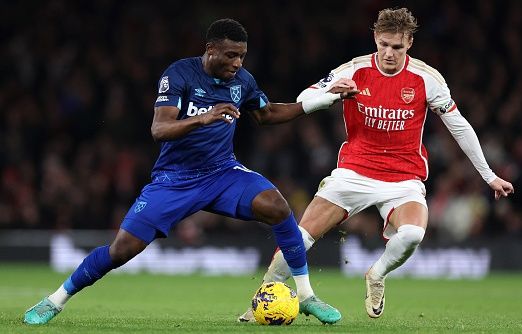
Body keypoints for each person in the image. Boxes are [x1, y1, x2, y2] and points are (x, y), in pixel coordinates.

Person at [23, 18, 356, 325]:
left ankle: (307, 295)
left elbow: (266, 115)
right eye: (230, 55)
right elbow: (159, 128)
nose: (237, 64)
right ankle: (55, 300)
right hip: (175, 180)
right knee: (121, 250)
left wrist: (321, 100)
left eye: (242, 56)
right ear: (210, 50)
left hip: (222, 173)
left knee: (278, 207)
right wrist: (205, 117)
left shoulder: (242, 81)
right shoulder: (179, 74)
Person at [238, 7, 514, 321]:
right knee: (299, 238)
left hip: (403, 178)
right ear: (375, 38)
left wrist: (489, 175)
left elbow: (460, 127)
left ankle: (377, 274)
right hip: (353, 173)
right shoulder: (354, 70)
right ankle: (262, 299)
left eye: (396, 46)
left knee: (412, 235)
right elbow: (305, 96)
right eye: (383, 44)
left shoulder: (427, 79)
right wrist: (331, 91)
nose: (389, 53)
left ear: (409, 42)